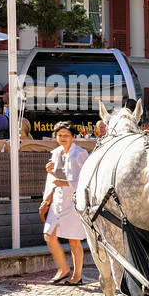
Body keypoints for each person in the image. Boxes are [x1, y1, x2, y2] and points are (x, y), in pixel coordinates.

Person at [41, 122, 89, 286]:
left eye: (66, 135)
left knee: (73, 240)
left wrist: (65, 182)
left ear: (74, 137)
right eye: (59, 135)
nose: (62, 138)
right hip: (58, 201)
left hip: (73, 202)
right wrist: (47, 198)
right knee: (49, 235)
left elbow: (86, 180)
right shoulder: (56, 153)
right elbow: (55, 179)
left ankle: (77, 275)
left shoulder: (81, 154)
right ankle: (63, 269)